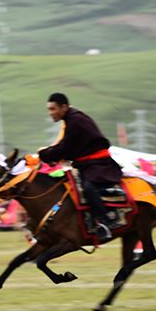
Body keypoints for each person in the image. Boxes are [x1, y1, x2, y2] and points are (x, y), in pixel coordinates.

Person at [38, 92, 123, 241]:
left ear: (64, 107)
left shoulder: (75, 121)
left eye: (53, 109)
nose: (50, 113)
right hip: (87, 165)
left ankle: (104, 222)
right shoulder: (71, 119)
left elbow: (65, 148)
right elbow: (67, 148)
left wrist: (45, 154)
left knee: (88, 187)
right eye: (49, 109)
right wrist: (49, 153)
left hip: (99, 165)